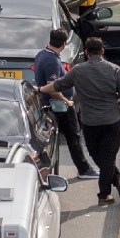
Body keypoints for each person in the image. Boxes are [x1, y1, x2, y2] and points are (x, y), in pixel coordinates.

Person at [34, 37, 120, 206]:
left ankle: (104, 194)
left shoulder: (78, 71)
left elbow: (57, 85)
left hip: (90, 123)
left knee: (96, 154)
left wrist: (40, 89)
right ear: (102, 51)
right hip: (113, 121)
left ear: (86, 52)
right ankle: (116, 179)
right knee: (108, 157)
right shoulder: (114, 69)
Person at [34, 29, 98, 179]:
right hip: (58, 105)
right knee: (73, 136)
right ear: (63, 44)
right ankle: (84, 170)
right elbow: (53, 88)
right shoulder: (52, 61)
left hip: (52, 103)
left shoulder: (42, 54)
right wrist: (66, 101)